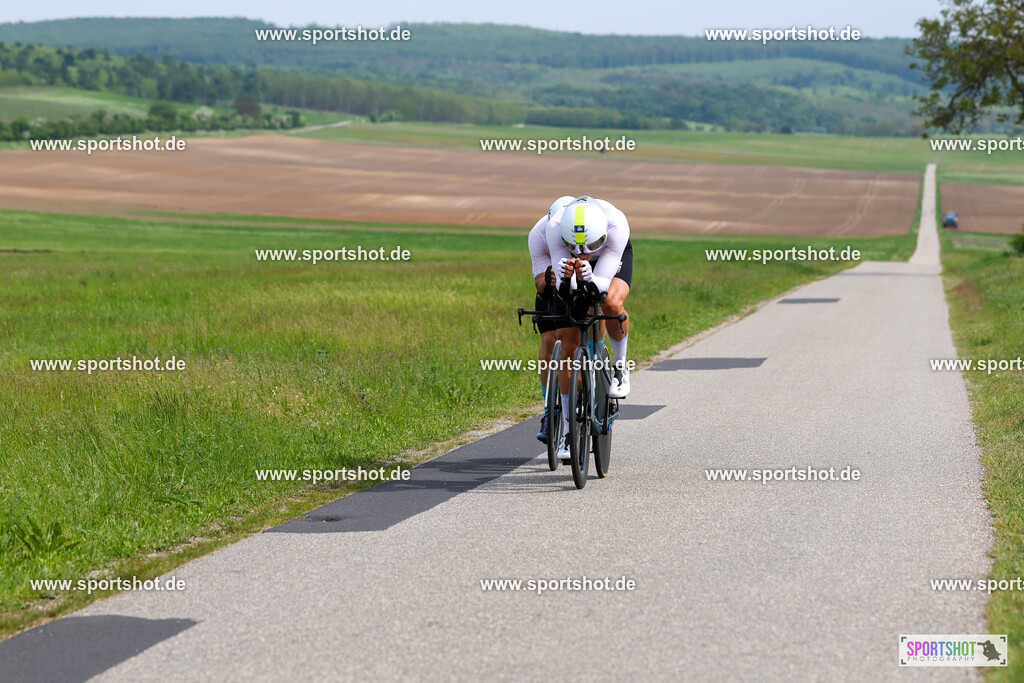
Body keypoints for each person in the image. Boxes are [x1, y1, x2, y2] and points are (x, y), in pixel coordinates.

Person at [547, 196, 633, 462]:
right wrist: (566, 277)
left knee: (610, 302)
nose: (583, 250)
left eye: (590, 245)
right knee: (572, 327)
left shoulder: (616, 225)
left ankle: (619, 365)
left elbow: (602, 285)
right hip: (579, 263)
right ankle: (568, 431)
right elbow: (564, 292)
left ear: (602, 235)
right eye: (573, 246)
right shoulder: (555, 228)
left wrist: (589, 276)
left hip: (608, 261)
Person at [529, 196, 576, 443]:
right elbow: (538, 283)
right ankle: (550, 411)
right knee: (548, 341)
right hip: (552, 289)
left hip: (582, 285)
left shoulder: (583, 232)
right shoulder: (538, 234)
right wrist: (550, 278)